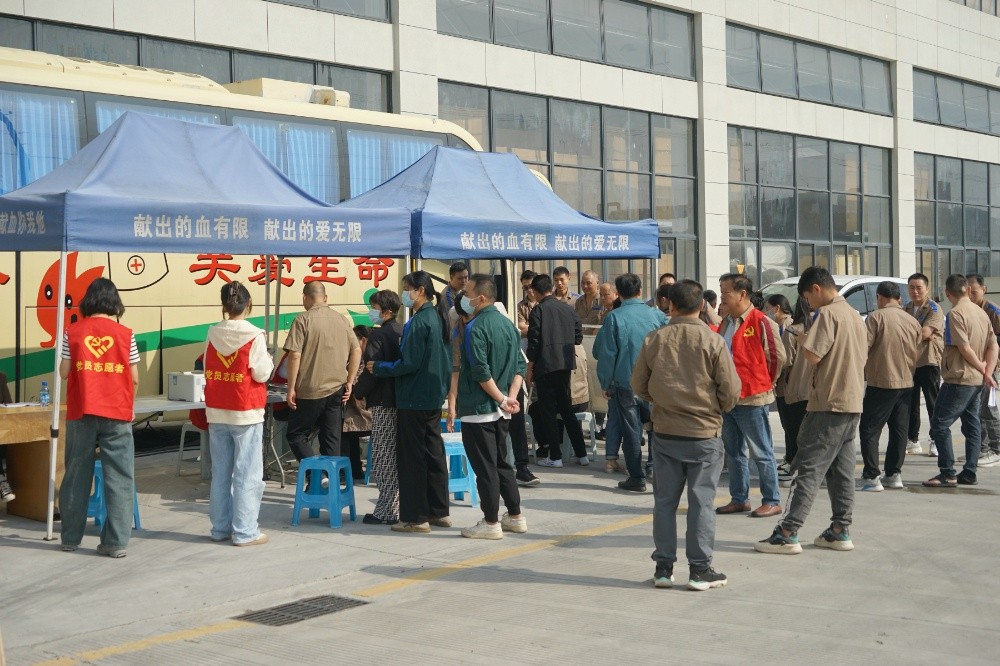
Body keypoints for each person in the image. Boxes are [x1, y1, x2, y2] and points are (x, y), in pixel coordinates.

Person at [632, 279, 741, 591]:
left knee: (664, 503)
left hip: (666, 432)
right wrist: (715, 408)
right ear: (702, 305)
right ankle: (699, 570)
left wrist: (662, 401)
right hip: (704, 433)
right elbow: (731, 390)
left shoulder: (655, 340)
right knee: (701, 503)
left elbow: (638, 385)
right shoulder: (713, 340)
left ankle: (664, 568)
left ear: (670, 304)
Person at [755, 267, 866, 555]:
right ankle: (840, 529)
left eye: (806, 297)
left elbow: (814, 355)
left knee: (808, 468)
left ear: (816, 288)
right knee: (841, 471)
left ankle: (788, 531)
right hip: (851, 401)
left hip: (828, 402)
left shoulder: (827, 315)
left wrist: (804, 340)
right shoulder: (854, 315)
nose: (807, 304)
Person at [58, 278, 139, 557]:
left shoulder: (72, 332)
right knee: (119, 477)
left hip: (81, 411)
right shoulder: (126, 334)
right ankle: (115, 543)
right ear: (114, 302)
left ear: (88, 301)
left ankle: (70, 538)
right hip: (117, 413)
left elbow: (64, 372)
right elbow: (135, 378)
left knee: (76, 474)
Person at [370, 271, 451, 533]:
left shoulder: (418, 322)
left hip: (414, 397)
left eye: (407, 289)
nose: (404, 294)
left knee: (412, 458)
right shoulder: (436, 317)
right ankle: (438, 511)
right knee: (433, 454)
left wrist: (380, 367)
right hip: (432, 396)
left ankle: (416, 517)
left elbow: (409, 363)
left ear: (420, 291)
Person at [455, 275, 528, 539]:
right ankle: (515, 515)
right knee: (502, 464)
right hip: (502, 409)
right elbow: (521, 366)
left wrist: (500, 399)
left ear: (481, 298)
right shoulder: (508, 325)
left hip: (480, 408)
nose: (465, 297)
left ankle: (490, 521)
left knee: (485, 468)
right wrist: (509, 398)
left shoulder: (475, 327)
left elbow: (480, 372)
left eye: (468, 293)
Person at [203, 281, 273, 547]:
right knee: (247, 474)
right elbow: (261, 373)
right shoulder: (255, 335)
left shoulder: (212, 333)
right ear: (249, 304)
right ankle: (245, 531)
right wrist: (269, 361)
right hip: (245, 411)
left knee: (220, 473)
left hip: (217, 410)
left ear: (224, 305)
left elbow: (207, 363)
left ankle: (220, 528)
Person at [715, 273, 785, 519]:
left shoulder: (761, 321)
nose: (722, 296)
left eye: (726, 292)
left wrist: (765, 382)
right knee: (734, 453)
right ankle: (739, 499)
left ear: (742, 294)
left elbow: (777, 357)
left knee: (762, 452)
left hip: (753, 398)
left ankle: (772, 500)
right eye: (721, 291)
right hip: (728, 398)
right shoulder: (726, 322)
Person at [593, 273, 668, 492]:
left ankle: (636, 477)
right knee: (656, 427)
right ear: (640, 290)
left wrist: (606, 383)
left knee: (631, 430)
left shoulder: (614, 318)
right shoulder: (657, 315)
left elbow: (606, 354)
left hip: (626, 383)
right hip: (655, 382)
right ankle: (654, 467)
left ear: (618, 293)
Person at [922, 274, 998, 488]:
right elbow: (994, 345)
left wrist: (981, 367)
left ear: (947, 293)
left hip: (960, 377)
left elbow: (964, 347)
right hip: (976, 380)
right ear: (968, 290)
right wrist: (987, 372)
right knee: (972, 424)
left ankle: (947, 472)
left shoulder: (955, 314)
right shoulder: (981, 313)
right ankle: (970, 472)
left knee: (939, 424)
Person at [283, 282, 361, 462]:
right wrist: (350, 381)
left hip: (310, 389)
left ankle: (315, 473)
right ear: (325, 298)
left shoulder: (302, 319)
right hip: (337, 389)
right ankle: (330, 474)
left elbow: (294, 355)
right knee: (331, 438)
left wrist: (291, 388)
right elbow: (356, 350)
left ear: (305, 298)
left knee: (296, 434)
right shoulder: (342, 320)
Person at [857, 282, 921, 492]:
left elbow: (863, 348)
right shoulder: (912, 321)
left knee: (869, 428)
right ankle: (893, 474)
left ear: (879, 297)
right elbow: (918, 350)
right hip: (907, 382)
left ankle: (871, 476)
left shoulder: (876, 318)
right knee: (899, 430)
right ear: (899, 298)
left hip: (882, 381)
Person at [526, 273, 588, 467]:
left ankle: (555, 456)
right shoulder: (568, 309)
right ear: (551, 288)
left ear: (535, 291)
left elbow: (534, 341)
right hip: (565, 365)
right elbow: (578, 337)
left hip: (545, 366)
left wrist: (530, 365)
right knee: (566, 409)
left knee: (547, 411)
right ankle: (582, 454)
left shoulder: (538, 311)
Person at [357, 289, 404, 526]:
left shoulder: (378, 335)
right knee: (398, 455)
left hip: (383, 401)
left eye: (374, 308)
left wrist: (357, 392)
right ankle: (398, 506)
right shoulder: (402, 331)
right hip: (402, 400)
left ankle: (386, 510)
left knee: (384, 455)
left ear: (385, 311)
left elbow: (370, 369)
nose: (371, 312)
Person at [773, 297, 813, 486]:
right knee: (807, 432)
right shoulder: (818, 329)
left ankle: (794, 468)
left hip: (793, 388)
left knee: (792, 429)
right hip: (813, 389)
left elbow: (785, 360)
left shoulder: (792, 331)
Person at [905, 273, 944, 456]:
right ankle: (912, 439)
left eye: (919, 288)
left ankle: (936, 439)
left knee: (932, 402)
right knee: (910, 403)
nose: (915, 291)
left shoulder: (934, 308)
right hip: (910, 362)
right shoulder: (906, 308)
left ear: (927, 289)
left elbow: (925, 332)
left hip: (928, 361)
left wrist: (904, 338)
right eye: (912, 287)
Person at [966, 274, 1000, 467]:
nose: (970, 294)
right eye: (967, 291)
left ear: (984, 289)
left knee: (989, 408)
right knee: (976, 410)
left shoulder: (992, 311)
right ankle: (982, 449)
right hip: (974, 367)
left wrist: (993, 366)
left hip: (989, 367)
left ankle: (997, 449)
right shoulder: (966, 310)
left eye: (974, 291)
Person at [341, 325, 372, 481]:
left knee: (342, 429)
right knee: (346, 427)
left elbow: (355, 386)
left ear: (363, 340)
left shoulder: (363, 360)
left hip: (367, 414)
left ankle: (347, 470)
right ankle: (355, 469)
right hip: (365, 413)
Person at [436, 261, 470, 329]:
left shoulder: (463, 290)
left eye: (466, 277)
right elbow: (455, 318)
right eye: (460, 278)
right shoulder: (447, 296)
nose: (464, 281)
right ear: (451, 278)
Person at [516, 269, 537, 339]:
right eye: (526, 287)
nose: (529, 290)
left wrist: (528, 325)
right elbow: (521, 326)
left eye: (531, 286)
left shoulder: (545, 302)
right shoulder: (520, 306)